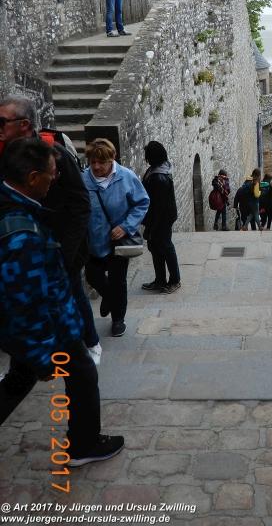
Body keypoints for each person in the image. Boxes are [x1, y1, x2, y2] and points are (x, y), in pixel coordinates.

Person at [0, 138, 124, 467]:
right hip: (53, 329)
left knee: (16, 382)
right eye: (51, 174)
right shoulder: (21, 231)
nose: (56, 179)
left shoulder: (18, 208)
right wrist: (43, 356)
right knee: (83, 375)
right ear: (32, 178)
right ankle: (84, 445)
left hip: (49, 324)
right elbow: (25, 301)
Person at [0, 96, 101, 365]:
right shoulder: (6, 157)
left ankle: (90, 344)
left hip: (61, 246)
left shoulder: (54, 155)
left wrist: (67, 254)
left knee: (73, 293)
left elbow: (81, 204)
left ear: (23, 125)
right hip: (25, 245)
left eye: (2, 122)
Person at [83, 139, 149, 337]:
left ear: (112, 159)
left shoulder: (126, 177)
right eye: (93, 162)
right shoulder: (83, 180)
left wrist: (126, 226)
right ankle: (109, 297)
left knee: (118, 281)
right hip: (93, 241)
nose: (96, 167)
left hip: (118, 242)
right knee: (93, 276)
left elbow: (142, 202)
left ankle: (118, 320)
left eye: (101, 162)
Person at [140, 142, 181, 293]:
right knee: (155, 247)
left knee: (165, 247)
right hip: (160, 216)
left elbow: (159, 207)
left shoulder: (159, 178)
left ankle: (175, 280)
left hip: (161, 219)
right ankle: (160, 280)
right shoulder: (158, 169)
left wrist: (151, 228)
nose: (146, 159)